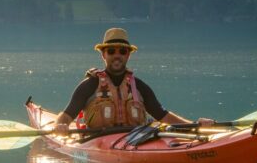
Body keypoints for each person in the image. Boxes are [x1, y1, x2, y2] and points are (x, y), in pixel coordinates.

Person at [52, 27, 213, 134]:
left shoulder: (139, 87)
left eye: (122, 51)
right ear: (103, 55)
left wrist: (194, 125)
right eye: (111, 51)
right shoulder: (90, 85)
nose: (117, 55)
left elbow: (163, 116)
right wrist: (60, 125)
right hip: (97, 141)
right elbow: (67, 115)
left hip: (136, 140)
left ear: (128, 55)